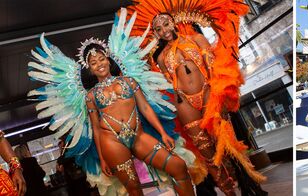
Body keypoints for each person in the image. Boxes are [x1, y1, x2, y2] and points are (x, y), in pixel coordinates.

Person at [27, 9, 200, 195]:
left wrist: (162, 133)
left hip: (139, 136)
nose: (99, 63)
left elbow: (145, 108)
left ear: (108, 61)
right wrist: (102, 158)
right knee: (134, 191)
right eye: (94, 63)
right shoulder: (91, 96)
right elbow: (95, 128)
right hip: (112, 143)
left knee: (178, 167)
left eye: (102, 59)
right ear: (90, 69)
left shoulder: (129, 81)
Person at [128, 1, 266, 195]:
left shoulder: (197, 39)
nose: (164, 30)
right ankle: (229, 192)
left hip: (208, 94)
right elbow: (167, 82)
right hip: (184, 103)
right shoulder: (160, 58)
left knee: (229, 146)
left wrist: (221, 98)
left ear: (174, 22)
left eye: (166, 24)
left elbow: (214, 72)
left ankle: (251, 186)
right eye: (158, 29)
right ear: (156, 34)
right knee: (208, 155)